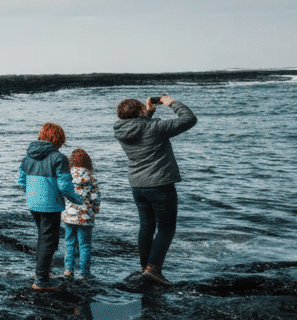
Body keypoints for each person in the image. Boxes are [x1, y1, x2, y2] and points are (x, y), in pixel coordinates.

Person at [113, 94, 197, 286]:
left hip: (137, 185)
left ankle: (146, 268)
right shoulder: (156, 127)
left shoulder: (121, 131)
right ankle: (154, 269)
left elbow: (141, 130)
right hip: (160, 184)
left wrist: (147, 114)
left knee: (146, 226)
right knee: (166, 227)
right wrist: (171, 103)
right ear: (140, 111)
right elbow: (189, 119)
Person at [18, 123, 85, 290]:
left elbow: (21, 180)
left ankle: (42, 272)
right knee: (49, 240)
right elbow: (64, 186)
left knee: (44, 237)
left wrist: (34, 193)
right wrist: (78, 199)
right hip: (50, 205)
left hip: (33, 203)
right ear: (58, 139)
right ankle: (41, 280)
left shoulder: (27, 157)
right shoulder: (59, 158)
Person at [61, 148, 101, 281]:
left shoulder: (67, 174)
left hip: (69, 216)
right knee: (85, 244)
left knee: (69, 242)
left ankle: (68, 270)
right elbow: (95, 196)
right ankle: (84, 272)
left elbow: (63, 192)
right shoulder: (90, 176)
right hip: (85, 216)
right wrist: (95, 209)